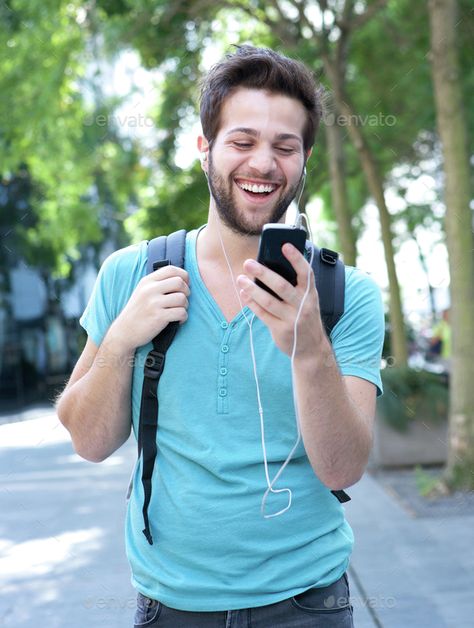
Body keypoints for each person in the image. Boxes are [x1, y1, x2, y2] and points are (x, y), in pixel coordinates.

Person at [57, 45, 385, 628]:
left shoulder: (344, 294)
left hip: (308, 603)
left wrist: (309, 348)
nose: (263, 163)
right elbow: (89, 441)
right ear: (204, 149)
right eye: (242, 141)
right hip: (170, 607)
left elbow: (342, 469)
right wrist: (120, 342)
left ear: (304, 159)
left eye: (285, 147)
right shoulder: (130, 275)